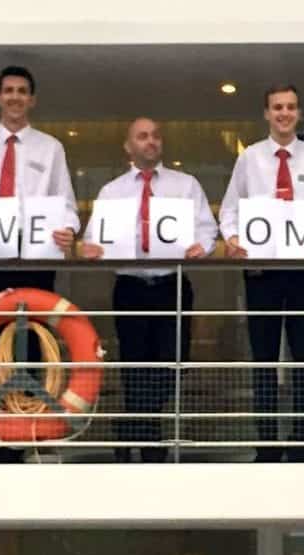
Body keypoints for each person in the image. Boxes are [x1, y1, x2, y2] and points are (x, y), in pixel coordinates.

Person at [0, 65, 79, 463]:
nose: (15, 97)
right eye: (9, 91)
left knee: (34, 349)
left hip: (37, 260)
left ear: (32, 99)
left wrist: (69, 231)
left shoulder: (51, 148)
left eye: (23, 91)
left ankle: (28, 435)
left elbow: (69, 207)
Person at [81, 118, 219, 463]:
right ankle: (149, 439)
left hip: (171, 284)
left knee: (171, 364)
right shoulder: (112, 192)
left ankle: (133, 427)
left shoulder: (185, 186)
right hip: (130, 286)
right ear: (128, 146)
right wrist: (90, 250)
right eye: (142, 136)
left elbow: (207, 231)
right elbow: (91, 239)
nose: (151, 141)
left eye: (156, 136)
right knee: (134, 363)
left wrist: (201, 247)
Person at [219, 84, 304, 463]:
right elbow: (229, 212)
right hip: (262, 271)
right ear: (266, 113)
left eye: (290, 107)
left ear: (299, 113)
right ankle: (268, 443)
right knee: (264, 358)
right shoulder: (249, 159)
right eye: (277, 108)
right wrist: (234, 239)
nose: (284, 114)